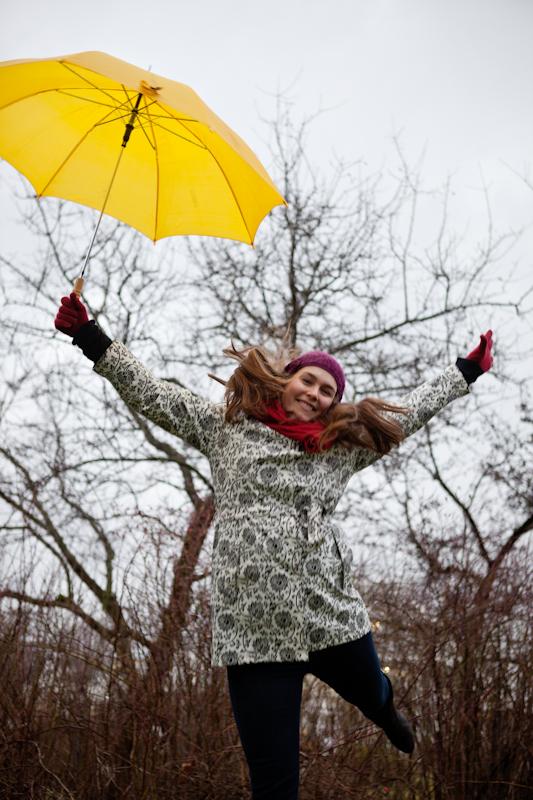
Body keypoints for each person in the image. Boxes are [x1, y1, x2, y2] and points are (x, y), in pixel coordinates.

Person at [54, 293, 493, 800]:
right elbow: (155, 394)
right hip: (252, 631)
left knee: (372, 692)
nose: (315, 392)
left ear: (334, 402)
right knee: (274, 782)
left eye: (328, 390)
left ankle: (386, 708)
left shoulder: (341, 451)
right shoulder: (228, 430)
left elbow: (408, 414)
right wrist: (90, 336)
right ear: (287, 380)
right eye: (309, 379)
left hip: (329, 615)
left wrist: (465, 371)